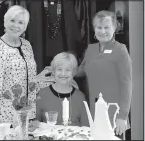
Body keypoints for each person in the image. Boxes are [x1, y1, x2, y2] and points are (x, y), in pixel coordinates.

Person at [0, 5, 45, 136]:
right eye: (12, 20)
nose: (16, 26)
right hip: (4, 114)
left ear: (26, 26)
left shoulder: (27, 45)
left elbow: (28, 78)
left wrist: (43, 79)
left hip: (24, 111)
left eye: (21, 22)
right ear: (5, 21)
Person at [76, 10, 132, 138]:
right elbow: (81, 71)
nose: (102, 31)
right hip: (94, 107)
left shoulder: (120, 49)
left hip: (114, 110)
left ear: (114, 28)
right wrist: (59, 69)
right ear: (94, 29)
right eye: (99, 27)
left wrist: (122, 116)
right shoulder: (91, 49)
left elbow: (127, 84)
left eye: (106, 27)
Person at [36, 52, 89, 127]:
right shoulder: (42, 94)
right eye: (59, 69)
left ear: (74, 72)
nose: (63, 74)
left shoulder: (80, 97)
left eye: (68, 70)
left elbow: (86, 127)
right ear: (53, 71)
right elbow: (35, 125)